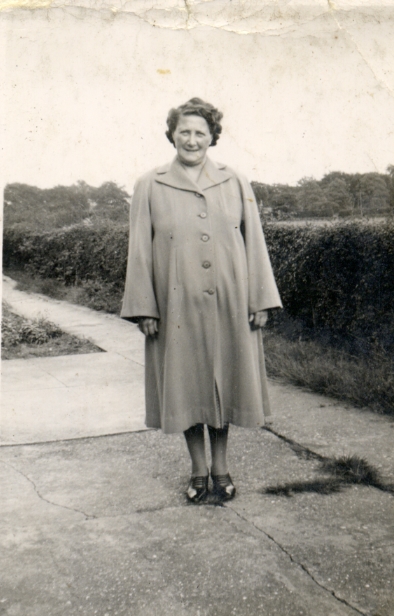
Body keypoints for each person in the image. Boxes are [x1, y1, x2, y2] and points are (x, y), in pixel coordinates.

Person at [121, 98, 282, 503]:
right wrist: (144, 308)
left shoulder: (235, 181)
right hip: (175, 306)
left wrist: (260, 300)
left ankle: (222, 468)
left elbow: (254, 241)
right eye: (184, 132)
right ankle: (197, 469)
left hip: (230, 301)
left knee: (224, 384)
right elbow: (139, 250)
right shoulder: (150, 184)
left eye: (200, 133)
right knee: (186, 388)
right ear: (172, 135)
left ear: (212, 137)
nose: (191, 140)